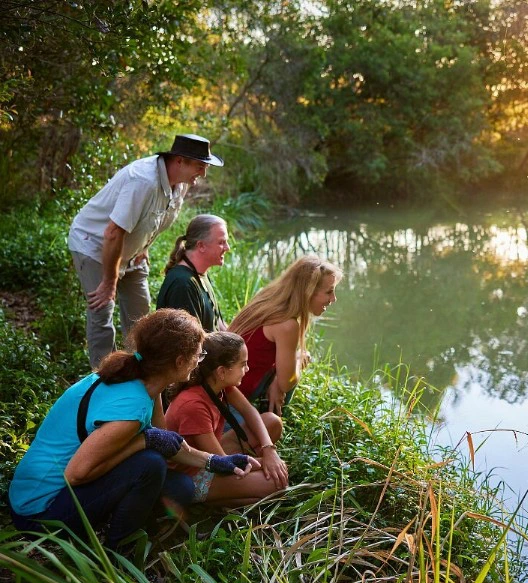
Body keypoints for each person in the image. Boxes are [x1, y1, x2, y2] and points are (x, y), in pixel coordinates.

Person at [8, 309, 257, 551]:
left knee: (180, 485)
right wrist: (143, 442)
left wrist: (214, 461)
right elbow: (76, 474)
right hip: (39, 513)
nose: (199, 361)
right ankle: (119, 552)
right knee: (149, 465)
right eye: (198, 355)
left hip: (47, 494)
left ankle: (121, 523)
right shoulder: (132, 410)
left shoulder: (145, 380)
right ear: (180, 361)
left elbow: (167, 444)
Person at [68, 134, 224, 368]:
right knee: (102, 311)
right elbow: (113, 232)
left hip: (131, 251)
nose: (203, 174)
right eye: (200, 166)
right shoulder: (143, 181)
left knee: (140, 316)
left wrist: (145, 247)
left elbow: (159, 219)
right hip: (95, 245)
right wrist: (110, 281)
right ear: (179, 161)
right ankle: (102, 379)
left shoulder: (180, 184)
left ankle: (136, 373)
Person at [165, 331, 288, 507]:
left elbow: (249, 411)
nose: (247, 369)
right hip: (195, 471)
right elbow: (220, 461)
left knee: (272, 421)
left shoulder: (218, 384)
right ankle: (210, 499)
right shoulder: (192, 405)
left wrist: (269, 451)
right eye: (243, 364)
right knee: (276, 482)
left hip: (212, 455)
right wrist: (267, 465)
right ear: (222, 371)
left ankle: (233, 493)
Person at [228, 256, 342, 416]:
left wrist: (277, 380)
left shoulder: (268, 298)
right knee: (273, 426)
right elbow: (286, 383)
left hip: (222, 393)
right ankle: (271, 416)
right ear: (307, 291)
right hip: (229, 408)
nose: (333, 299)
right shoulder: (287, 325)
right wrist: (299, 360)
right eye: (329, 292)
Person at [156, 214, 229, 332]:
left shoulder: (200, 274)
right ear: (201, 246)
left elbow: (218, 323)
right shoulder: (183, 285)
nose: (227, 247)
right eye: (221, 242)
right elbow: (190, 344)